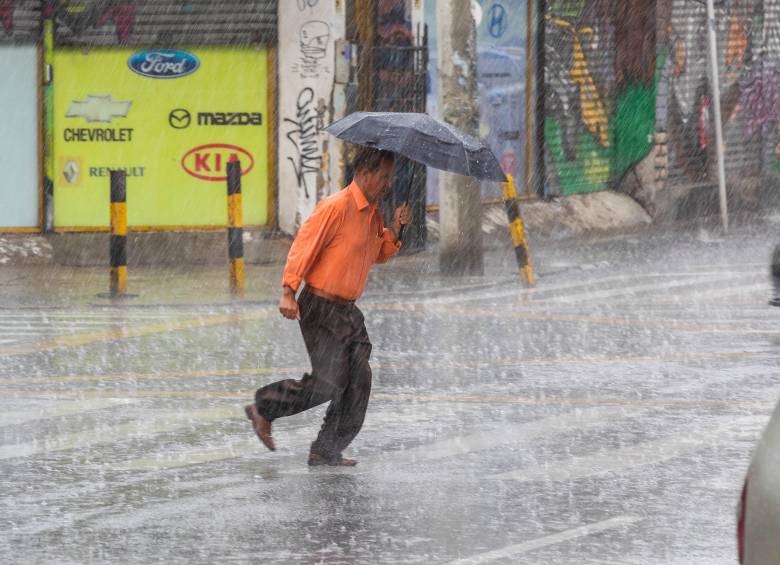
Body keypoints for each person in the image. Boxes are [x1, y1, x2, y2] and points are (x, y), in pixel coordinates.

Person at [245, 148, 411, 466]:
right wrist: (288, 290)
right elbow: (304, 247)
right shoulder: (335, 207)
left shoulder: (373, 213)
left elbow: (379, 253)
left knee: (359, 381)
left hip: (349, 311)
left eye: (390, 177)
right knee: (329, 382)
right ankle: (264, 407)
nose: (388, 184)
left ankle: (326, 448)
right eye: (384, 176)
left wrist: (398, 228)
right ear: (363, 171)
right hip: (320, 306)